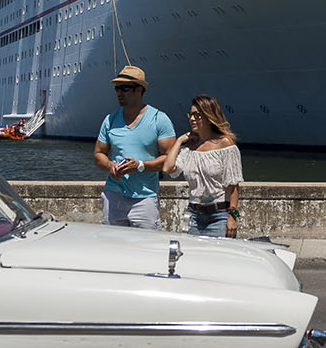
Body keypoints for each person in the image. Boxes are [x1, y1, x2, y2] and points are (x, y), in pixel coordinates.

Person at [92, 65, 175, 229]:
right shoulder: (109, 120)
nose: (119, 93)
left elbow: (170, 160)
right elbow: (98, 154)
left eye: (125, 88)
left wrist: (140, 165)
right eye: (117, 88)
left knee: (147, 249)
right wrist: (111, 165)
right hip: (113, 195)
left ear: (139, 90)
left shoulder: (159, 119)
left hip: (145, 199)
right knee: (112, 246)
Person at [164, 95, 242, 238]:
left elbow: (234, 186)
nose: (192, 119)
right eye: (190, 115)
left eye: (197, 115)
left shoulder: (225, 144)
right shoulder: (189, 148)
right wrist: (179, 141)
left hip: (219, 216)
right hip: (193, 216)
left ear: (209, 116)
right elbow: (168, 169)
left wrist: (232, 217)